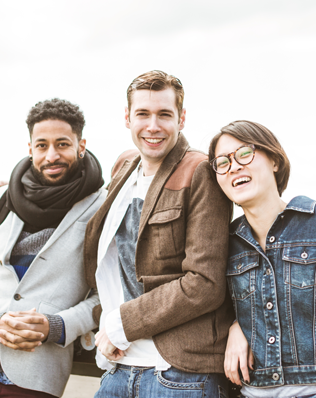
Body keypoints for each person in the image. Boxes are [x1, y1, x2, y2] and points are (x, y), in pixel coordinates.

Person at [83, 70, 234, 397]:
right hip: (118, 367)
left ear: (181, 118)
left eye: (164, 114)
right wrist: (6, 193)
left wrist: (119, 326)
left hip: (178, 375)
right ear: (127, 118)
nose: (153, 126)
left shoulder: (200, 171)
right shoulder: (123, 166)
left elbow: (205, 284)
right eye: (143, 114)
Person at [209, 120, 316, 398]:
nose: (234, 166)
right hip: (252, 392)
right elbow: (215, 302)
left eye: (244, 154)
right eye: (222, 162)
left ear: (275, 161)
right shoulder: (225, 243)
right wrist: (235, 325)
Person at [0, 98, 105, 398]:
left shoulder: (104, 206)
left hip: (36, 377)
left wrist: (56, 327)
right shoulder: (2, 198)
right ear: (30, 148)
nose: (51, 155)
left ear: (81, 146)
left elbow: (106, 295)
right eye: (42, 145)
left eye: (63, 144)